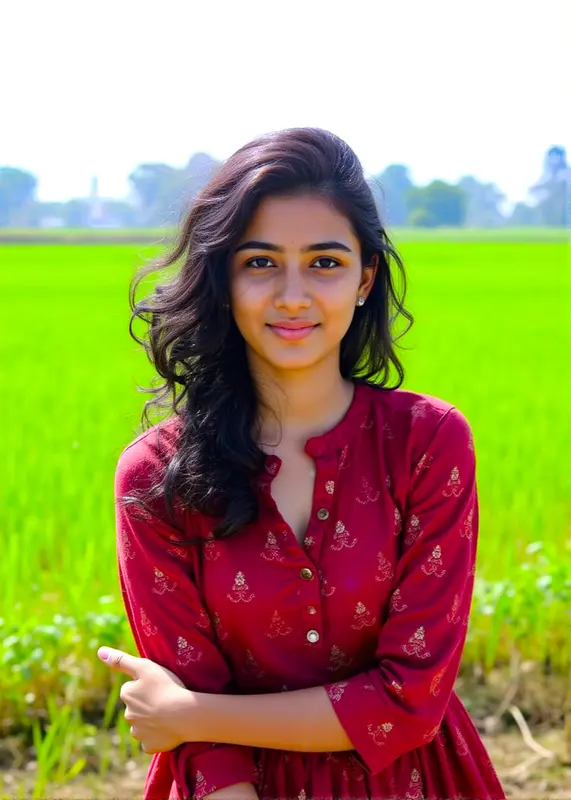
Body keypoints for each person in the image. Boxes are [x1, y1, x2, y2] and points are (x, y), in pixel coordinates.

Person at [110, 127, 506, 800]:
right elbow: (206, 750)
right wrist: (193, 722)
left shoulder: (427, 442)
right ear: (223, 278)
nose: (292, 295)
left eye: (324, 262)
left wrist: (192, 715)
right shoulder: (156, 475)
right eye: (260, 263)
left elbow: (409, 701)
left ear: (364, 279)